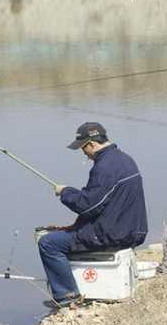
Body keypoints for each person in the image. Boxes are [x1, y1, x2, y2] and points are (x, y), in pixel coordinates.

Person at [38, 122, 148, 308]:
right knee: (63, 235)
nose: (84, 153)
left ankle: (67, 296)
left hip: (113, 234)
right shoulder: (125, 159)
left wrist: (65, 192)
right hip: (133, 231)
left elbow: (88, 206)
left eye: (82, 148)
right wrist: (75, 227)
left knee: (48, 243)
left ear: (91, 144)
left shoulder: (104, 167)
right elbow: (104, 205)